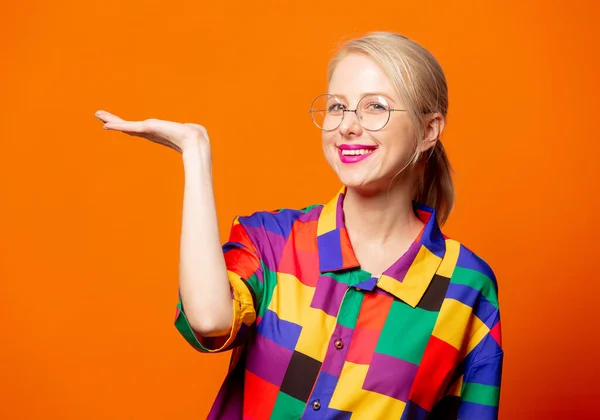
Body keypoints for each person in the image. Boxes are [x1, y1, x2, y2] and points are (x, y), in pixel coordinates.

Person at [96, 31, 503, 420]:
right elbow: (208, 320)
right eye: (338, 106)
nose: (347, 125)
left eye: (375, 106)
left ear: (429, 130)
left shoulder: (466, 286)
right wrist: (195, 152)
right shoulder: (272, 241)